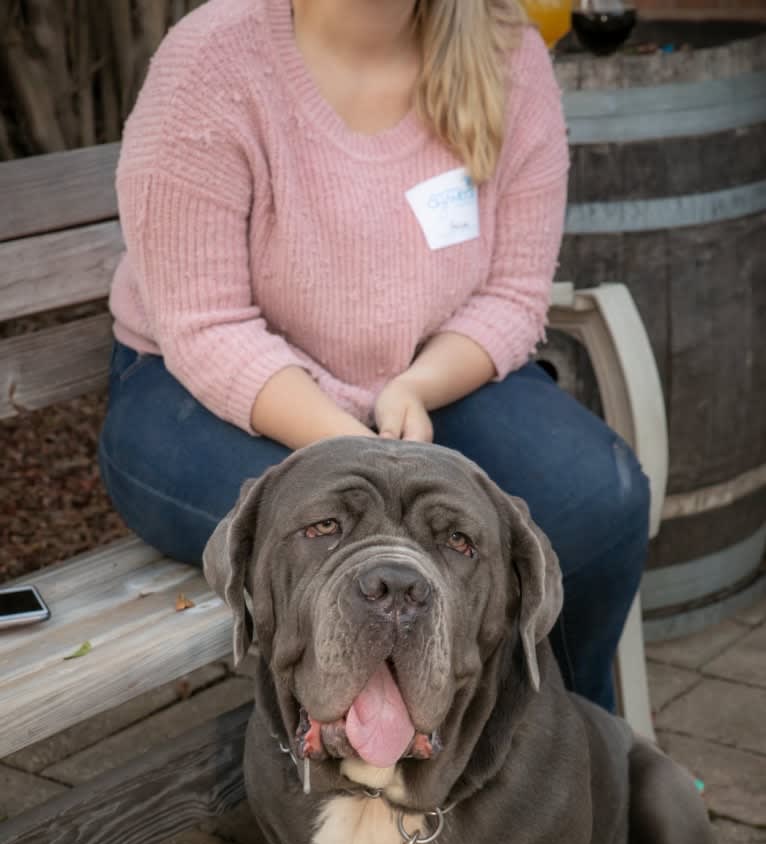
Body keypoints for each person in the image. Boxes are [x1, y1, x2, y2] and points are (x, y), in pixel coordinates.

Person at [100, 0, 649, 712]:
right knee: (350, 543)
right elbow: (206, 328)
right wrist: (368, 458)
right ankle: (365, 778)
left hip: (419, 382)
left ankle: (578, 759)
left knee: (596, 499)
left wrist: (417, 386)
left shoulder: (504, 49)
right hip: (205, 398)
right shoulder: (214, 61)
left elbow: (514, 293)